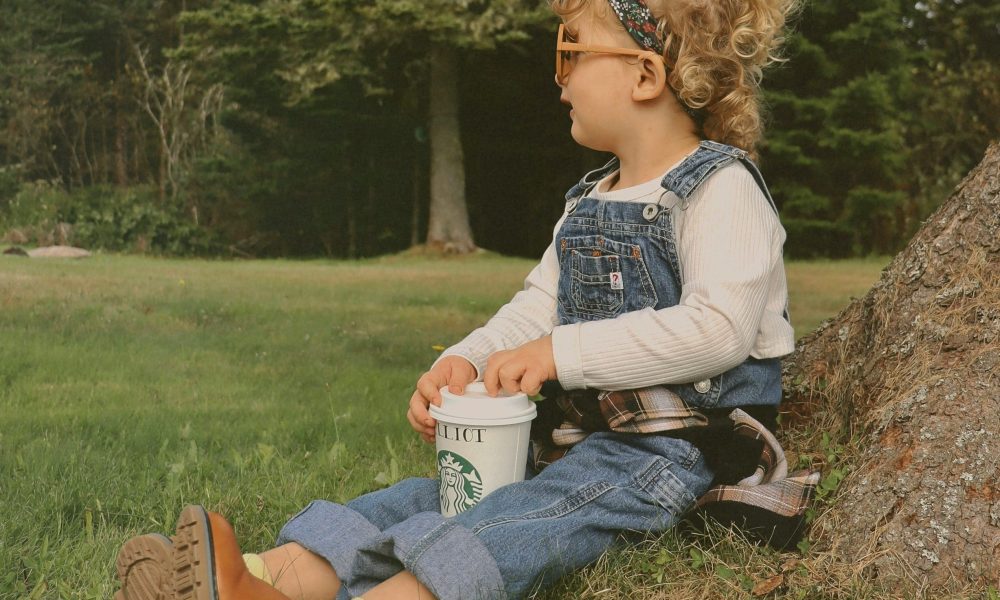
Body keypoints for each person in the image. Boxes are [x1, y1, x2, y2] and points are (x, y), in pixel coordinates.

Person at [114, 0, 806, 598]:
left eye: (572, 53)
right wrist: (470, 362)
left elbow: (719, 330)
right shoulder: (590, 200)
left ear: (645, 74)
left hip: (668, 459)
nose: (558, 77)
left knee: (508, 526)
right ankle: (256, 579)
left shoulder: (721, 189)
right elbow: (538, 305)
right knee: (424, 500)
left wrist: (559, 353)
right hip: (570, 447)